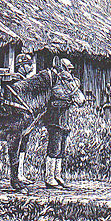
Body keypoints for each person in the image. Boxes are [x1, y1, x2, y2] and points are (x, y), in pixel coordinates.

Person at [44, 57, 81, 189]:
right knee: (54, 148)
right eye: (68, 69)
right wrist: (68, 99)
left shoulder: (68, 83)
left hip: (64, 121)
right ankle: (49, 178)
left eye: (70, 70)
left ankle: (57, 175)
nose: (69, 71)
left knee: (61, 150)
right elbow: (54, 100)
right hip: (55, 120)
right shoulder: (56, 83)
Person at [14, 53, 36, 184]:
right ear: (21, 66)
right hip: (17, 119)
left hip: (25, 118)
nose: (31, 67)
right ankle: (17, 175)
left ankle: (21, 174)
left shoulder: (25, 80)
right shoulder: (17, 80)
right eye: (28, 64)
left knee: (23, 145)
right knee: (18, 146)